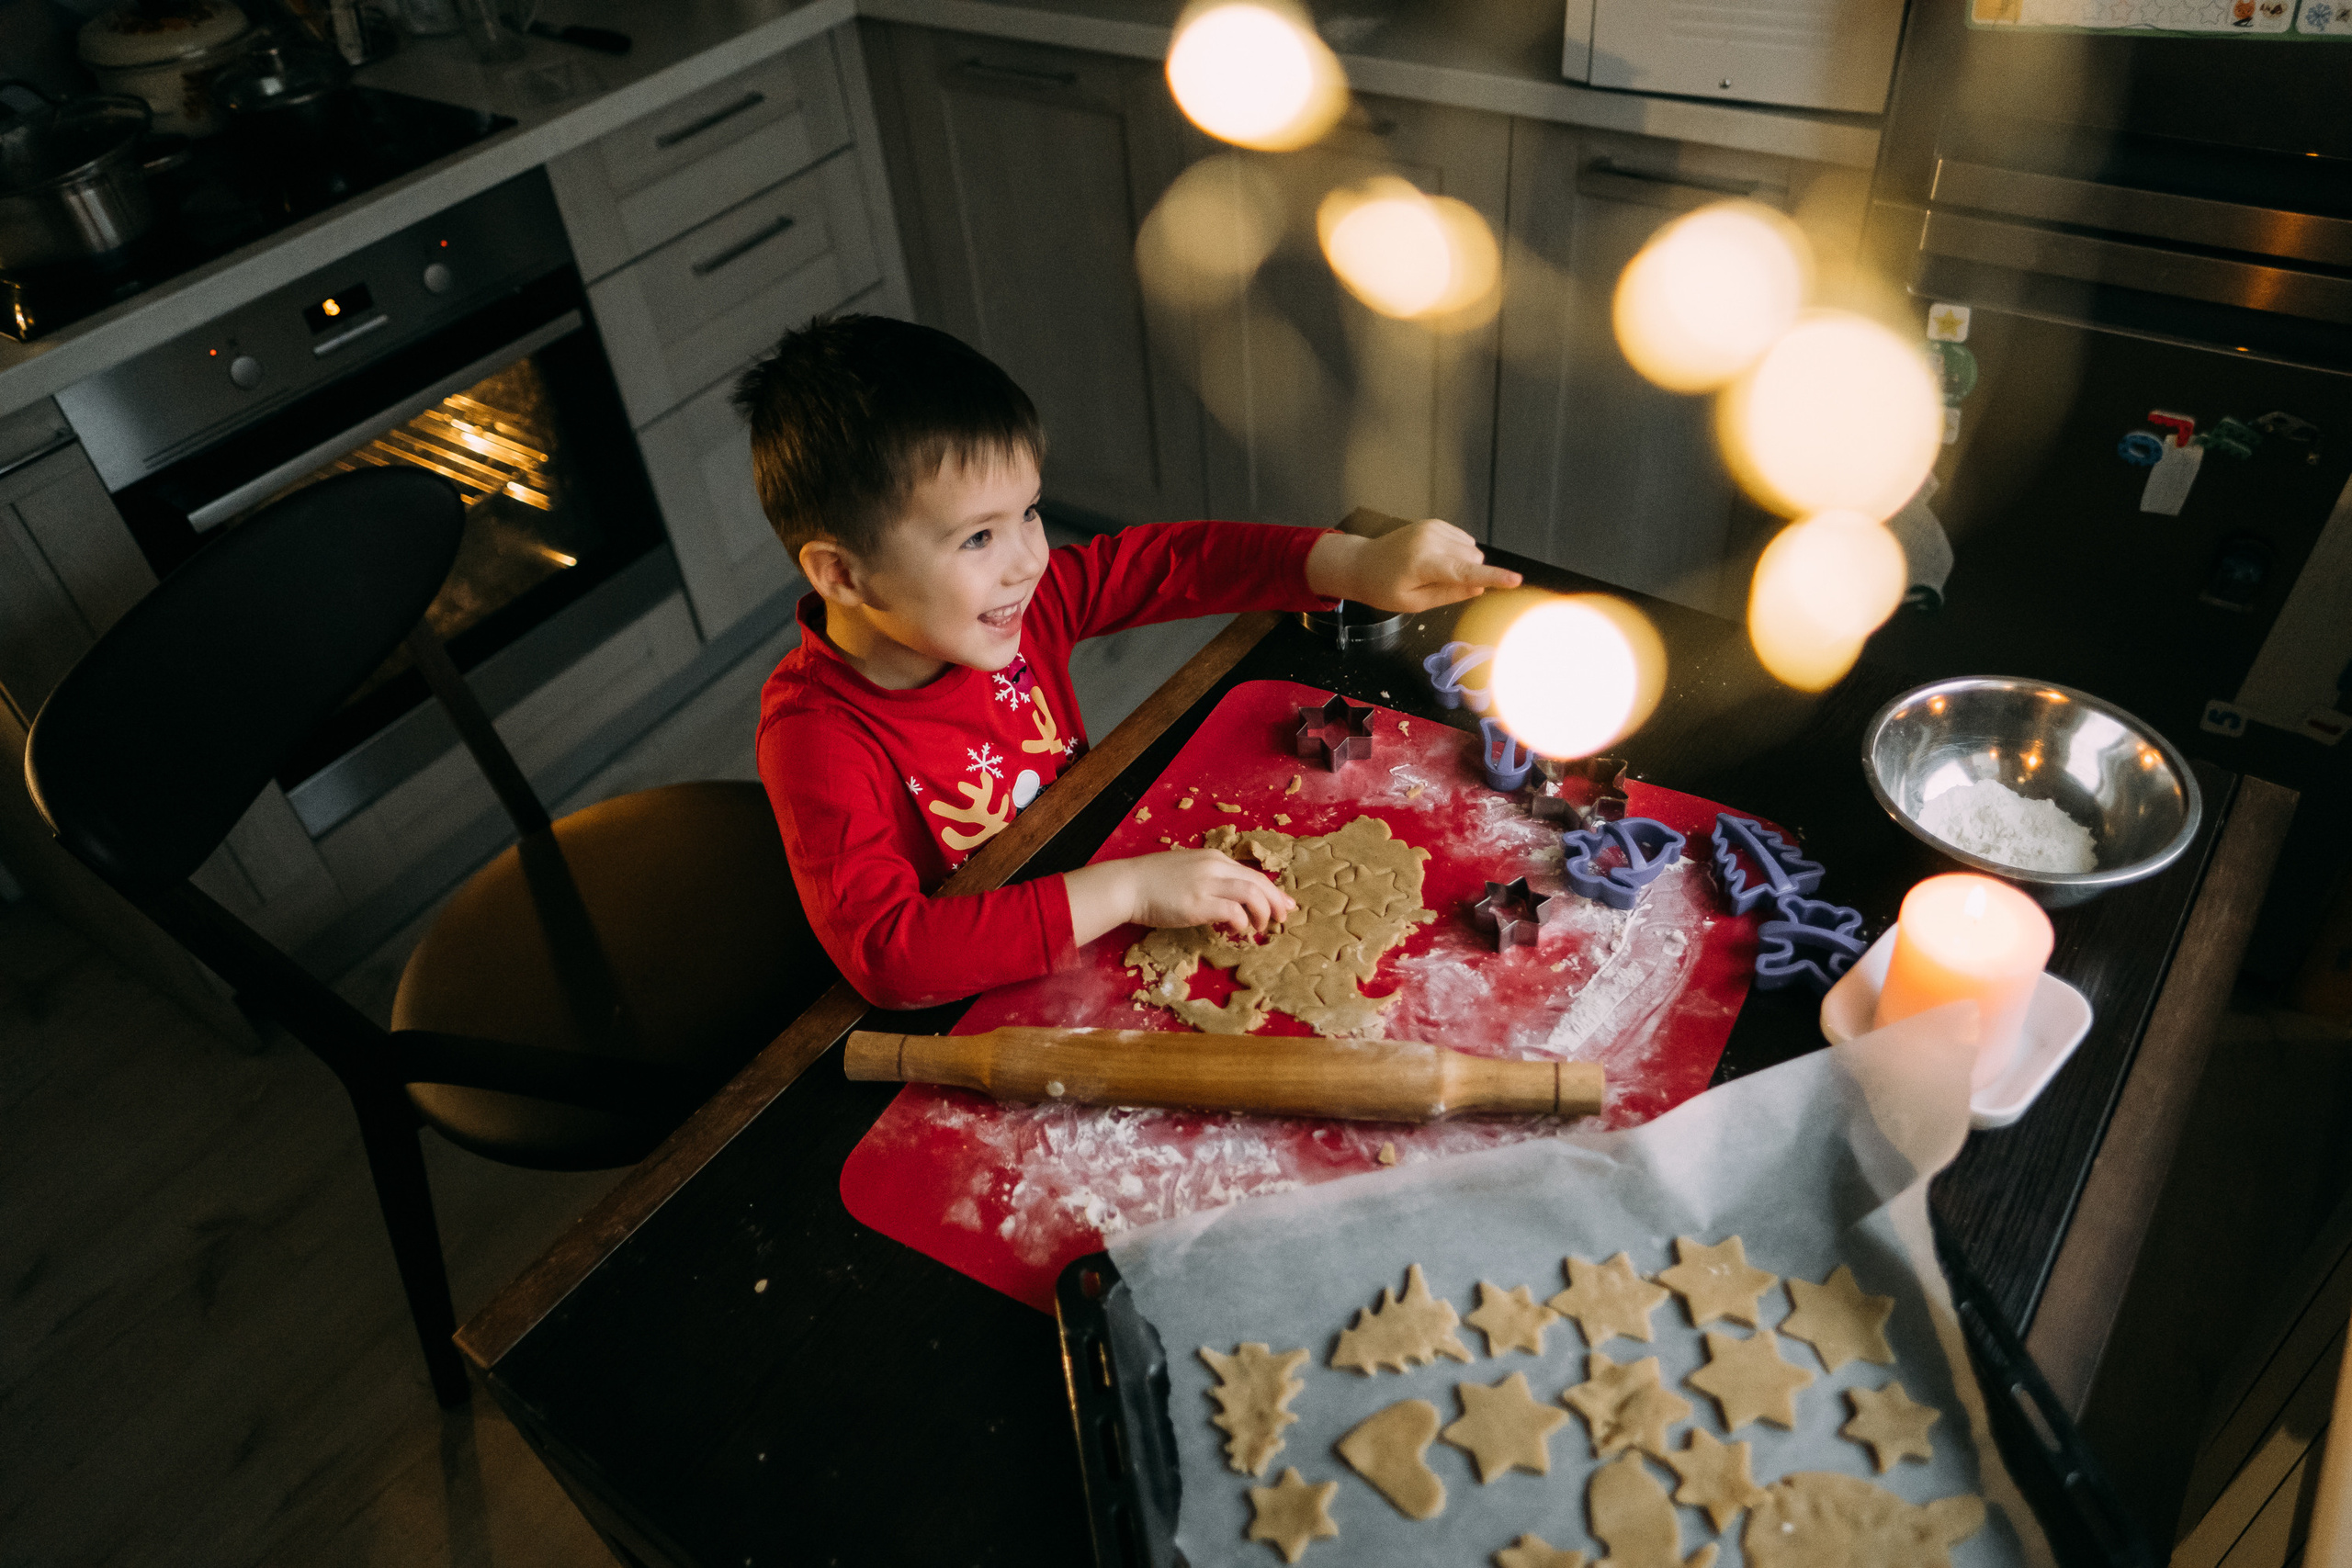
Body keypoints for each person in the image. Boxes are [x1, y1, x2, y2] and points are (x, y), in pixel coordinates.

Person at [740, 314, 1521, 1010]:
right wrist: (1129, 886)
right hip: (989, 992)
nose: (1028, 562)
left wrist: (1352, 564)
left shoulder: (1016, 603)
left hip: (1087, 905)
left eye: (1030, 513)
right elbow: (893, 956)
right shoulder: (817, 736)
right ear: (842, 573)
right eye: (978, 537)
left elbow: (1175, 560)